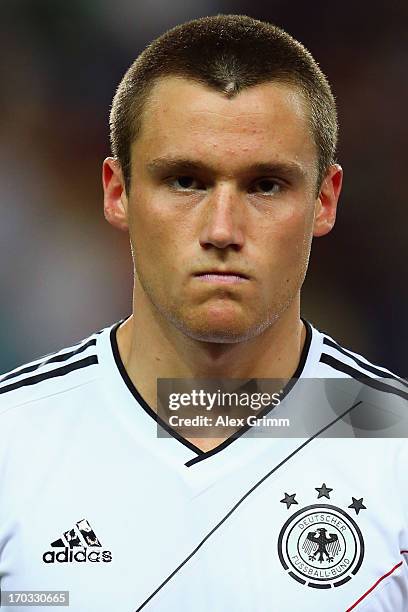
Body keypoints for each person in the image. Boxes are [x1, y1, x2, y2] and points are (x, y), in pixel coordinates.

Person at [0, 14, 407, 612]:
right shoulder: (11, 442)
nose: (222, 230)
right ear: (118, 192)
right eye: (185, 180)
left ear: (324, 200)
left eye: (265, 185)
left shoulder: (394, 448)